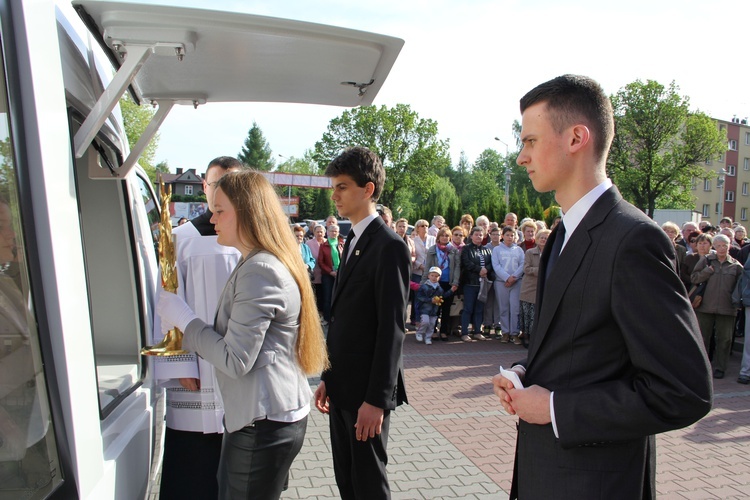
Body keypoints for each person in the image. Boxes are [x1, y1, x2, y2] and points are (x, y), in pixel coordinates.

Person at [492, 74, 712, 500]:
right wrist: (524, 375)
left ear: (576, 137)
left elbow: (684, 392)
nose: (521, 157)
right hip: (545, 474)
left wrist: (555, 408)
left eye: (531, 141)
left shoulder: (633, 240)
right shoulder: (560, 235)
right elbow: (584, 349)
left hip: (595, 483)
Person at [157, 169, 328, 500]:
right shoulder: (255, 261)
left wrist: (185, 320)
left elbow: (235, 360)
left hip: (262, 425)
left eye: (220, 210)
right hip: (263, 420)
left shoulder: (260, 269)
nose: (212, 217)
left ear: (247, 212)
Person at [313, 146, 410, 500]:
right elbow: (342, 318)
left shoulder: (389, 246)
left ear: (367, 189)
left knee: (368, 484)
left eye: (342, 187)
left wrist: (377, 400)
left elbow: (392, 330)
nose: (334, 195)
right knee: (347, 481)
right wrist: (328, 376)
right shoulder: (352, 238)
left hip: (367, 394)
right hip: (342, 386)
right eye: (333, 187)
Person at [154, 156, 242, 500]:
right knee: (193, 466)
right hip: (196, 372)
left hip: (238, 365)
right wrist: (180, 366)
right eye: (216, 184)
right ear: (205, 188)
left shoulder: (250, 240)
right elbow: (164, 304)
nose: (222, 192)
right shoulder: (179, 239)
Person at [690, 234, 742, 379]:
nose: (721, 248)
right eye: (718, 245)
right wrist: (707, 271)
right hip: (705, 306)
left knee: (724, 340)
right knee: (702, 338)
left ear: (729, 246)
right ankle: (701, 367)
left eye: (724, 245)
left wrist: (737, 304)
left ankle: (720, 368)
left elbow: (740, 287)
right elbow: (694, 278)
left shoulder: (736, 266)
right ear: (714, 246)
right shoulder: (706, 261)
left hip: (727, 309)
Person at [422, 226, 460, 341]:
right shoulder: (432, 250)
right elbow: (427, 267)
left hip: (448, 282)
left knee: (446, 308)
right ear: (438, 237)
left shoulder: (454, 250)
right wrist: (424, 283)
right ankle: (433, 331)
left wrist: (455, 282)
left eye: (447, 236)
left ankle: (444, 331)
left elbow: (457, 267)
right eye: (442, 235)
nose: (444, 238)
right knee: (435, 308)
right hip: (435, 283)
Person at [460, 227, 494, 342]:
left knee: (479, 308)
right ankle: (464, 332)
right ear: (471, 236)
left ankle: (477, 332)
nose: (479, 237)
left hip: (483, 284)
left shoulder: (487, 250)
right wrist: (479, 269)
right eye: (476, 235)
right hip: (470, 283)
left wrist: (486, 270)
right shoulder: (466, 249)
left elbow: (491, 263)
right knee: (468, 308)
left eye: (481, 235)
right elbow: (466, 263)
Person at [492, 226, 525, 344]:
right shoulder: (497, 250)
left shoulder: (519, 250)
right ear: (503, 236)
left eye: (512, 235)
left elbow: (522, 265)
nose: (510, 237)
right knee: (504, 308)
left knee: (515, 309)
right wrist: (506, 277)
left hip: (516, 282)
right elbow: (496, 266)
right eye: (507, 235)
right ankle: (505, 332)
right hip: (502, 283)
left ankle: (514, 333)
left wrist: (514, 277)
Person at [519, 228, 549, 347]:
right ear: (537, 239)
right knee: (527, 313)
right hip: (529, 287)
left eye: (546, 238)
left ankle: (536, 337)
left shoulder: (551, 252)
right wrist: (542, 270)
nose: (543, 240)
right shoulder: (530, 252)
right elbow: (526, 269)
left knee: (538, 313)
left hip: (544, 287)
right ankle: (526, 336)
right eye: (541, 237)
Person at [317, 223, 343, 325]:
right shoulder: (324, 246)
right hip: (328, 275)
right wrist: (330, 272)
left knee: (339, 297)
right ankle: (327, 318)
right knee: (327, 297)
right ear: (327, 233)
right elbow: (321, 262)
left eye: (336, 231)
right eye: (332, 231)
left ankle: (338, 317)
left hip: (340, 274)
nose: (334, 233)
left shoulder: (341, 244)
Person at [415, 267, 445, 345]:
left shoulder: (440, 288)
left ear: (439, 278)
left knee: (432, 324)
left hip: (434, 310)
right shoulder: (424, 286)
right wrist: (430, 300)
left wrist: (451, 291)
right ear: (428, 276)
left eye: (436, 276)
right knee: (425, 321)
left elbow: (443, 296)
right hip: (425, 309)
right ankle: (419, 332)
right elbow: (419, 296)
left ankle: (428, 337)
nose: (434, 278)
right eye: (432, 275)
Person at [306, 224, 326, 311]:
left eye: (321, 232)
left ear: (324, 233)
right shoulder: (308, 243)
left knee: (325, 296)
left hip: (326, 274)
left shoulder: (328, 242)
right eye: (317, 232)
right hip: (314, 274)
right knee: (316, 296)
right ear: (314, 232)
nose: (319, 233)